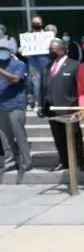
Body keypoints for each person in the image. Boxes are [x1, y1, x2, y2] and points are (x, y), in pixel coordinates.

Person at [39, 38, 84, 172]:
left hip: (69, 107)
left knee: (75, 136)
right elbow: (43, 88)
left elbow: (81, 88)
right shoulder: (48, 67)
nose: (50, 52)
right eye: (49, 49)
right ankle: (64, 161)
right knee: (58, 137)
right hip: (51, 108)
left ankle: (81, 162)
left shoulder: (75, 65)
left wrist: (80, 106)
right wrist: (41, 105)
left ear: (62, 50)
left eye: (52, 49)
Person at [0, 40, 31, 172]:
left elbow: (15, 79)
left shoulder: (19, 64)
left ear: (10, 51)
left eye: (3, 49)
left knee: (19, 134)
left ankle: (26, 161)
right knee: (5, 137)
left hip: (16, 105)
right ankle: (11, 159)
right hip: (1, 105)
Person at [22, 15, 52, 108]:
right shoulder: (27, 36)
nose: (36, 25)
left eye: (38, 23)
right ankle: (38, 104)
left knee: (47, 84)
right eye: (34, 23)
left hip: (46, 64)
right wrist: (23, 51)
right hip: (33, 65)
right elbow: (23, 49)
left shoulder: (47, 35)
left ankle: (47, 103)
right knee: (36, 84)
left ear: (42, 23)